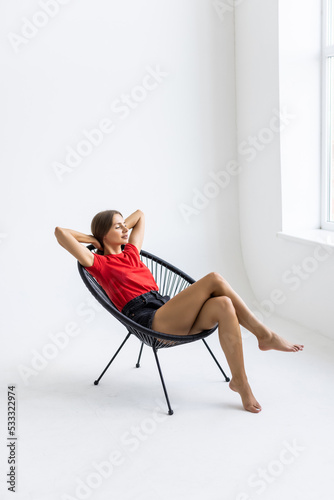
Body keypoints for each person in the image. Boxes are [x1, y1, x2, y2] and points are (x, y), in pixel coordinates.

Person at [55, 209, 304, 414]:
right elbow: (60, 233)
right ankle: (263, 334)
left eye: (124, 225)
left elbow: (140, 215)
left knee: (224, 305)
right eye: (118, 227)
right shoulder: (98, 263)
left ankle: (240, 381)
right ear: (104, 234)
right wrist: (94, 240)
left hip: (167, 310)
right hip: (150, 322)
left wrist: (116, 226)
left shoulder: (131, 252)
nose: (125, 229)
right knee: (215, 279)